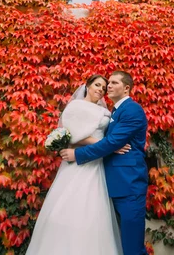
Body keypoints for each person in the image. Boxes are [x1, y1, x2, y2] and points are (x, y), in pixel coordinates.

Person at [26, 74, 129, 255]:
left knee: (95, 212)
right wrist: (109, 146)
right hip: (78, 164)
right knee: (71, 206)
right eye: (97, 85)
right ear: (87, 85)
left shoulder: (105, 111)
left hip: (96, 165)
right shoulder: (75, 106)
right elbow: (75, 134)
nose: (100, 90)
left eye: (104, 88)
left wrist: (108, 145)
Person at [60, 71, 149, 255]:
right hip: (112, 182)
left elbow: (112, 143)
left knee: (133, 247)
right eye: (108, 83)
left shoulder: (132, 109)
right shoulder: (115, 111)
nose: (108, 86)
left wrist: (77, 154)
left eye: (114, 83)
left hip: (129, 184)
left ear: (126, 88)